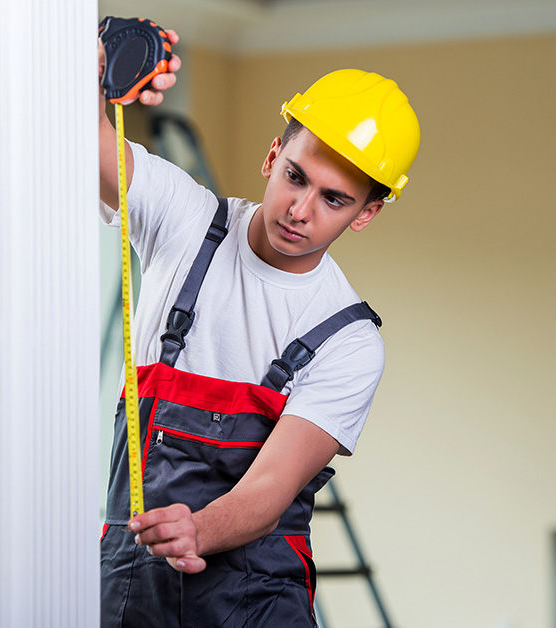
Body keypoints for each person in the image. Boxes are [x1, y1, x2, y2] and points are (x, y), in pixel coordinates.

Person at [97, 27, 420, 628]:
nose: (301, 211)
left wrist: (196, 529)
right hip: (129, 587)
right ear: (273, 157)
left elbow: (268, 493)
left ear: (365, 214)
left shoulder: (348, 339)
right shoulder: (184, 221)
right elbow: (80, 140)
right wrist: (92, 62)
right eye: (295, 177)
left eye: (334, 199)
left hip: (254, 603)